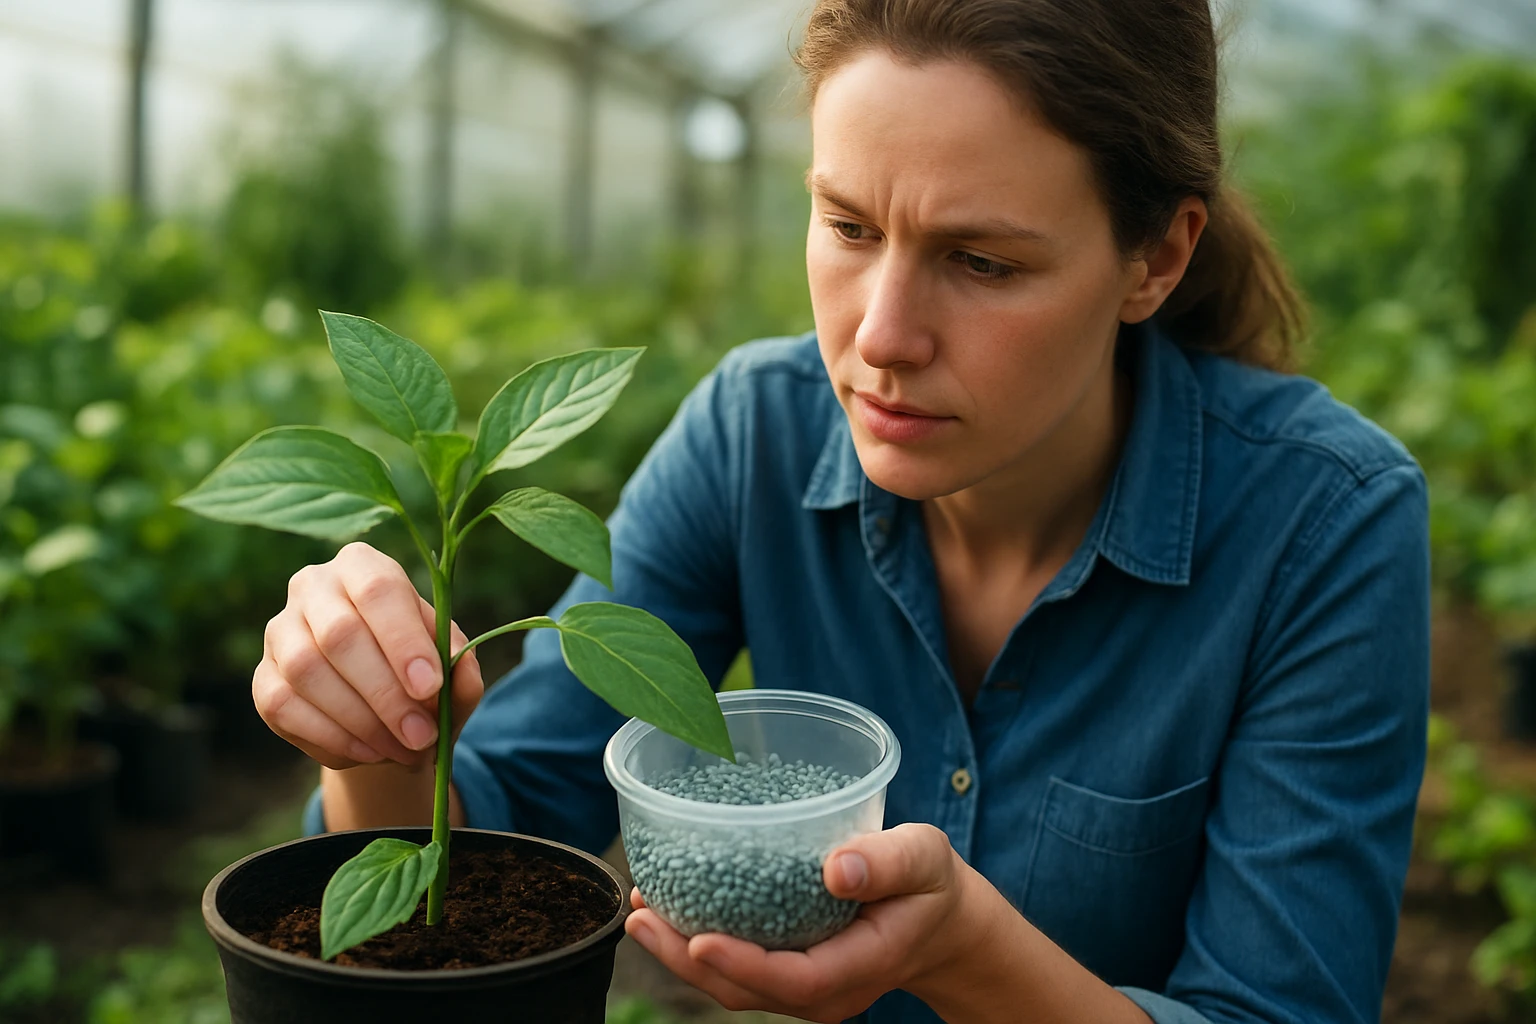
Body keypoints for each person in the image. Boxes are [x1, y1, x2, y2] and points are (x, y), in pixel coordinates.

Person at [257, 0, 1430, 1020]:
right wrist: (377, 728)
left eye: (982, 262)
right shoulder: (753, 436)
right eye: (850, 228)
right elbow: (495, 821)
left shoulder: (1322, 524)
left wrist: (964, 953)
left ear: (1156, 259)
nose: (881, 335)